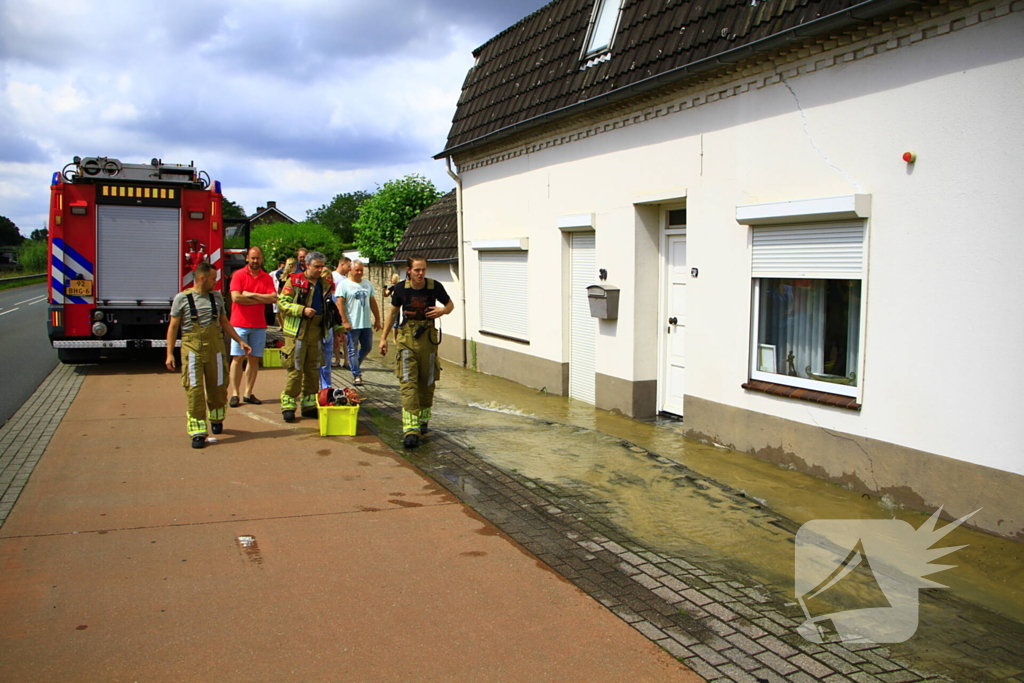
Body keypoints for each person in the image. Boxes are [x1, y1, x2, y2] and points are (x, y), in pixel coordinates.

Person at [165, 262, 251, 449]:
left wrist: (239, 340)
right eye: (213, 278)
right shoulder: (182, 298)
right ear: (202, 278)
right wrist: (169, 353)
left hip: (215, 347)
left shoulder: (217, 297)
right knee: (194, 389)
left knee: (218, 386)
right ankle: (198, 431)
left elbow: (224, 321)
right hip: (192, 347)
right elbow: (173, 327)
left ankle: (217, 418)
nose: (215, 282)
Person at [378, 255, 453, 448]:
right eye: (417, 270)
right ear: (409, 270)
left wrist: (442, 311)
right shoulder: (401, 288)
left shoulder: (434, 286)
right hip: (406, 341)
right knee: (408, 383)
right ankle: (411, 430)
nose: (420, 273)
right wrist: (383, 338)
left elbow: (450, 305)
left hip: (428, 341)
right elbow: (392, 313)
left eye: (423, 269)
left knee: (427, 382)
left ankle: (423, 421)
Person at [278, 251, 342, 422]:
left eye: (322, 267)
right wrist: (301, 310)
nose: (320, 270)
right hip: (297, 333)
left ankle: (309, 405)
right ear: (307, 265)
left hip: (316, 332)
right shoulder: (294, 281)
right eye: (316, 267)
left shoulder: (325, 285)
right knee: (295, 369)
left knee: (313, 370)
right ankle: (288, 405)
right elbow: (282, 303)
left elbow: (330, 309)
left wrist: (338, 328)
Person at [227, 246, 277, 407]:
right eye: (253, 258)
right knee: (238, 358)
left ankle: (248, 393)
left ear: (262, 259)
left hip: (259, 325)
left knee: (254, 359)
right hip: (239, 324)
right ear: (247, 258)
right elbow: (236, 298)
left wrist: (251, 295)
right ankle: (235, 393)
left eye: (258, 258)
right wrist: (260, 299)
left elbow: (273, 298)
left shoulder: (266, 278)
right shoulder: (238, 275)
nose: (255, 261)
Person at [337, 259, 382, 386]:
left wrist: (377, 319)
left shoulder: (367, 284)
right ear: (350, 270)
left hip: (366, 323)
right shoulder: (344, 284)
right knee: (352, 349)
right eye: (357, 270)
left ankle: (354, 364)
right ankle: (357, 374)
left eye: (361, 270)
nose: (359, 272)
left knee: (367, 347)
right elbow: (339, 303)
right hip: (352, 324)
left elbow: (372, 302)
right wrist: (344, 321)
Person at [319, 261, 345, 390]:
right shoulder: (315, 295)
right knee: (316, 363)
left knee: (327, 363)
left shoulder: (332, 296)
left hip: (328, 333)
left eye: (330, 278)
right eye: (325, 278)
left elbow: (334, 316)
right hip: (316, 334)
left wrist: (338, 332)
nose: (328, 281)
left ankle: (327, 388)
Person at [330, 257, 352, 368]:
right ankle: (338, 359)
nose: (349, 269)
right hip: (335, 310)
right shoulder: (333, 276)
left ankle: (347, 361)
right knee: (336, 337)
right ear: (342, 264)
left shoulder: (345, 278)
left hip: (344, 311)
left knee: (345, 337)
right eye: (348, 266)